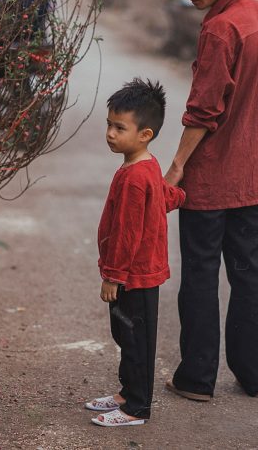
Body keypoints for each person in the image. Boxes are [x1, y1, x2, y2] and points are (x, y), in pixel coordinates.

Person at [163, 0, 258, 402]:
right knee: (247, 269)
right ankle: (255, 376)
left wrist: (176, 166)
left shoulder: (220, 28)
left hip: (213, 177)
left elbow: (203, 111)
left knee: (199, 273)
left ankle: (196, 379)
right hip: (252, 176)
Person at [86, 79, 187, 427]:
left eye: (119, 128)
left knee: (135, 340)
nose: (110, 134)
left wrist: (112, 275)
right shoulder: (144, 166)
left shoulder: (134, 176)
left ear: (144, 134)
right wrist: (178, 196)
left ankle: (136, 409)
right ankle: (127, 393)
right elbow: (162, 196)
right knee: (126, 335)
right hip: (135, 273)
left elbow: (128, 233)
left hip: (134, 275)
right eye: (109, 125)